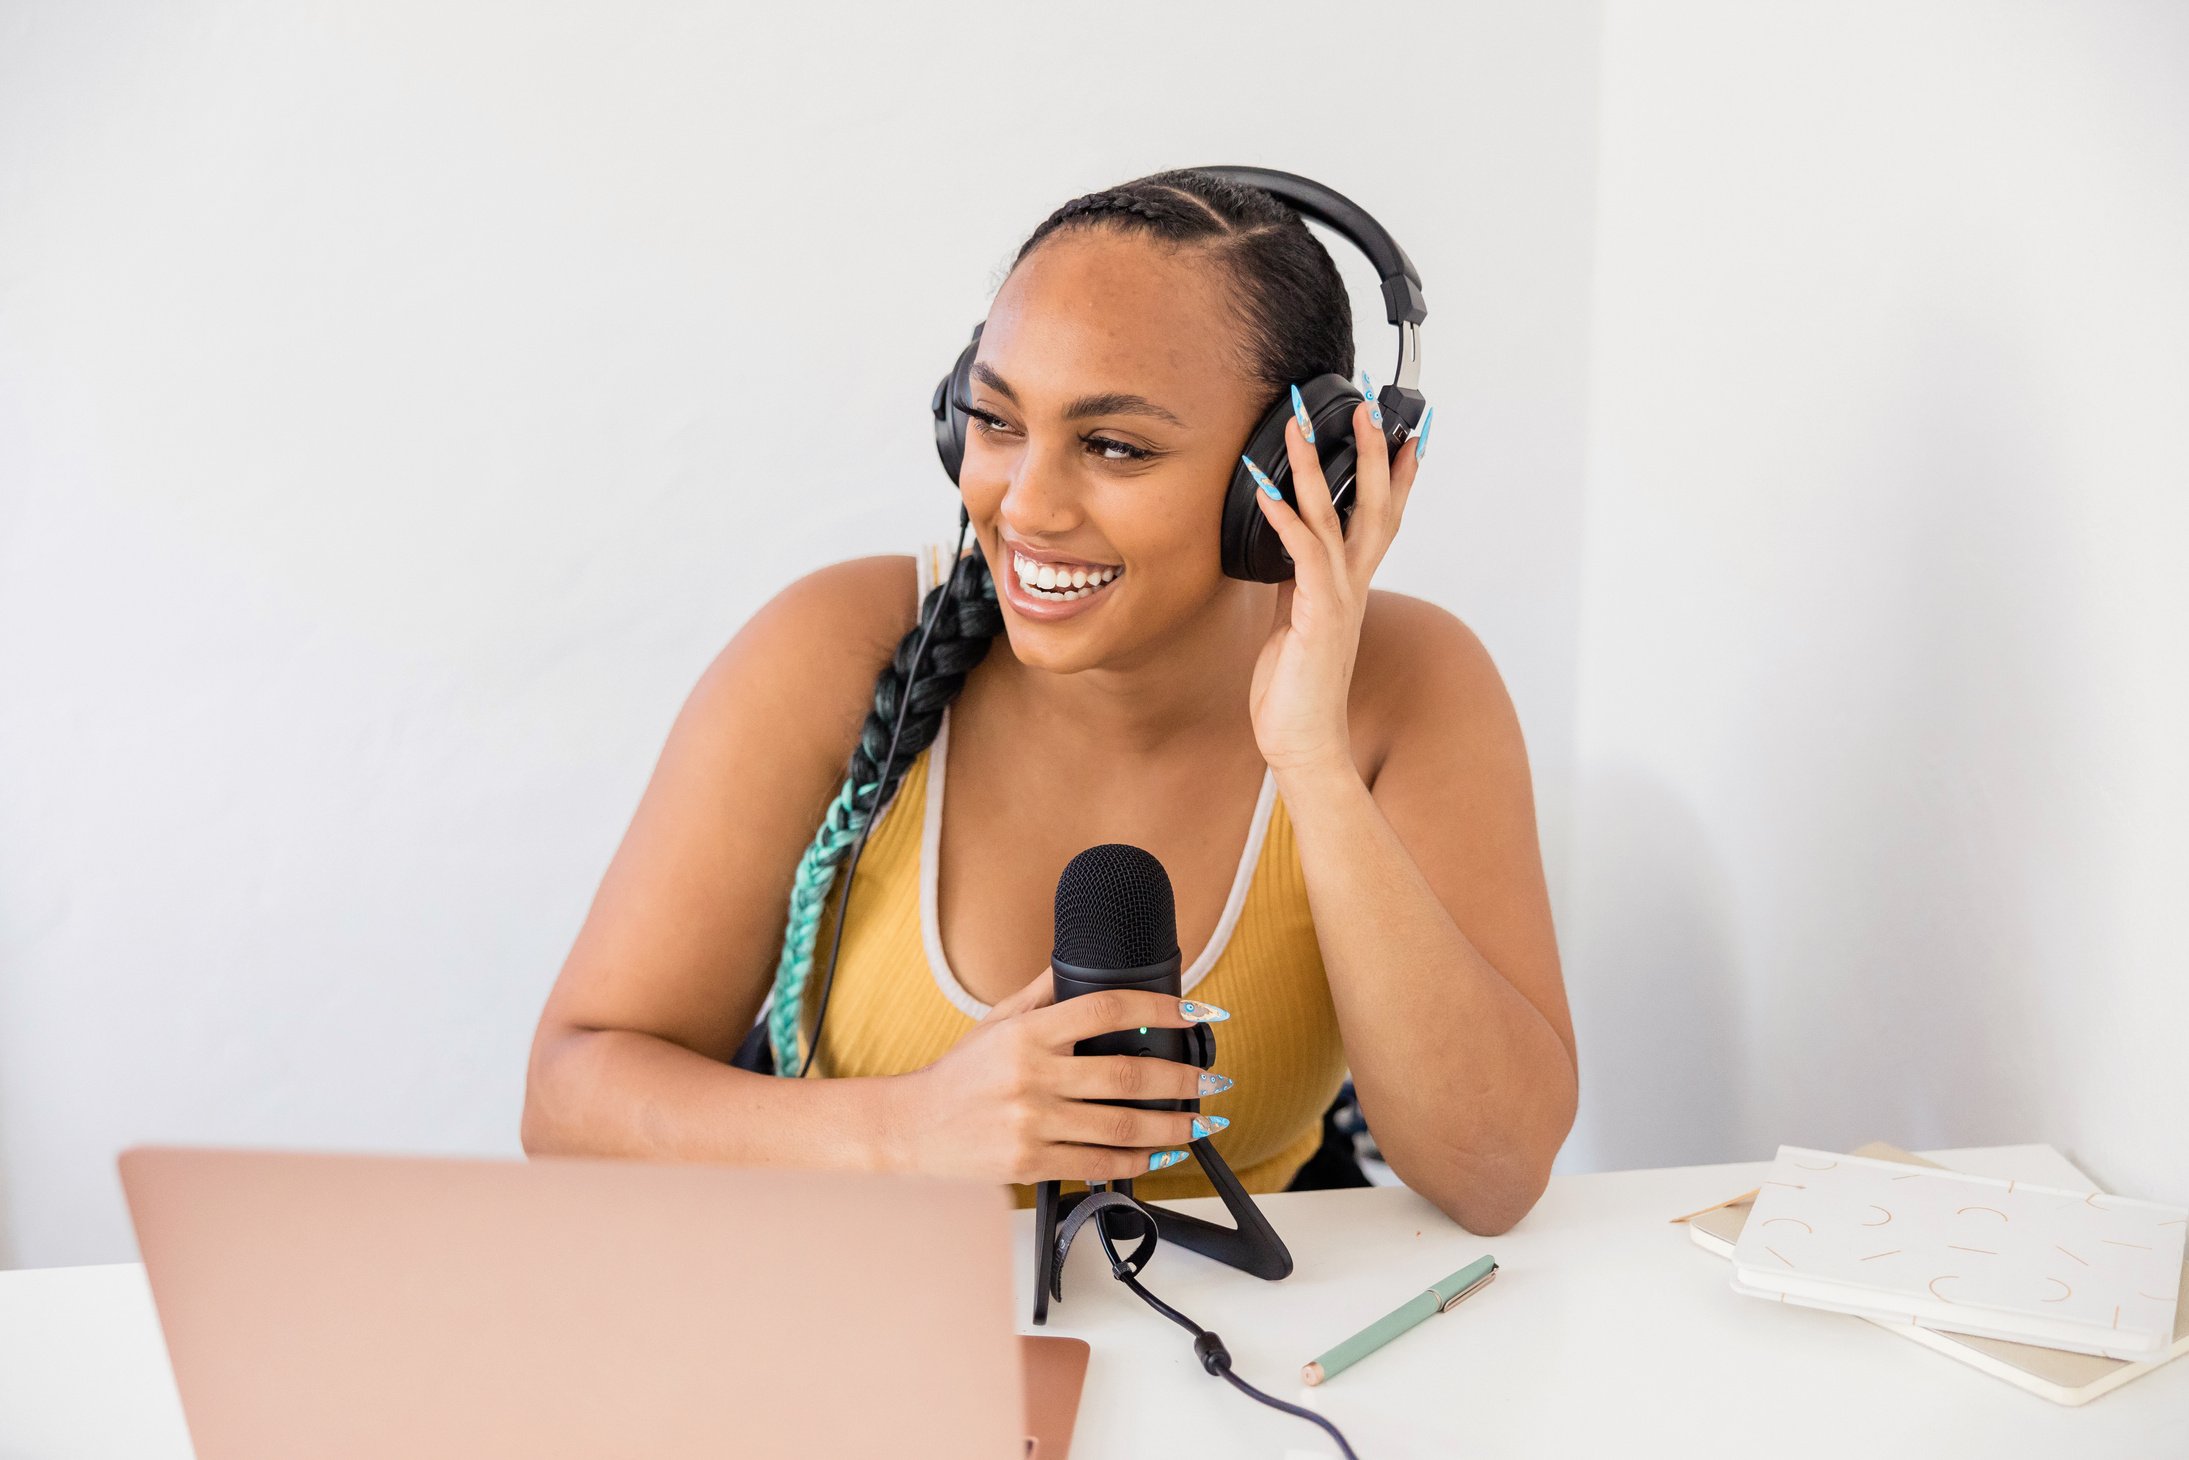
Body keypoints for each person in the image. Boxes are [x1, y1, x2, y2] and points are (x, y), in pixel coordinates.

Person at [521, 168, 1577, 1235]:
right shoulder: (832, 647)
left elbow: (1489, 1175)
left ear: (1298, 469)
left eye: (1114, 445)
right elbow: (569, 1096)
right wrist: (908, 1132)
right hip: (866, 1322)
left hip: (1244, 1349)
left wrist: (1311, 754)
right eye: (993, 419)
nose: (1022, 504)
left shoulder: (1410, 686)